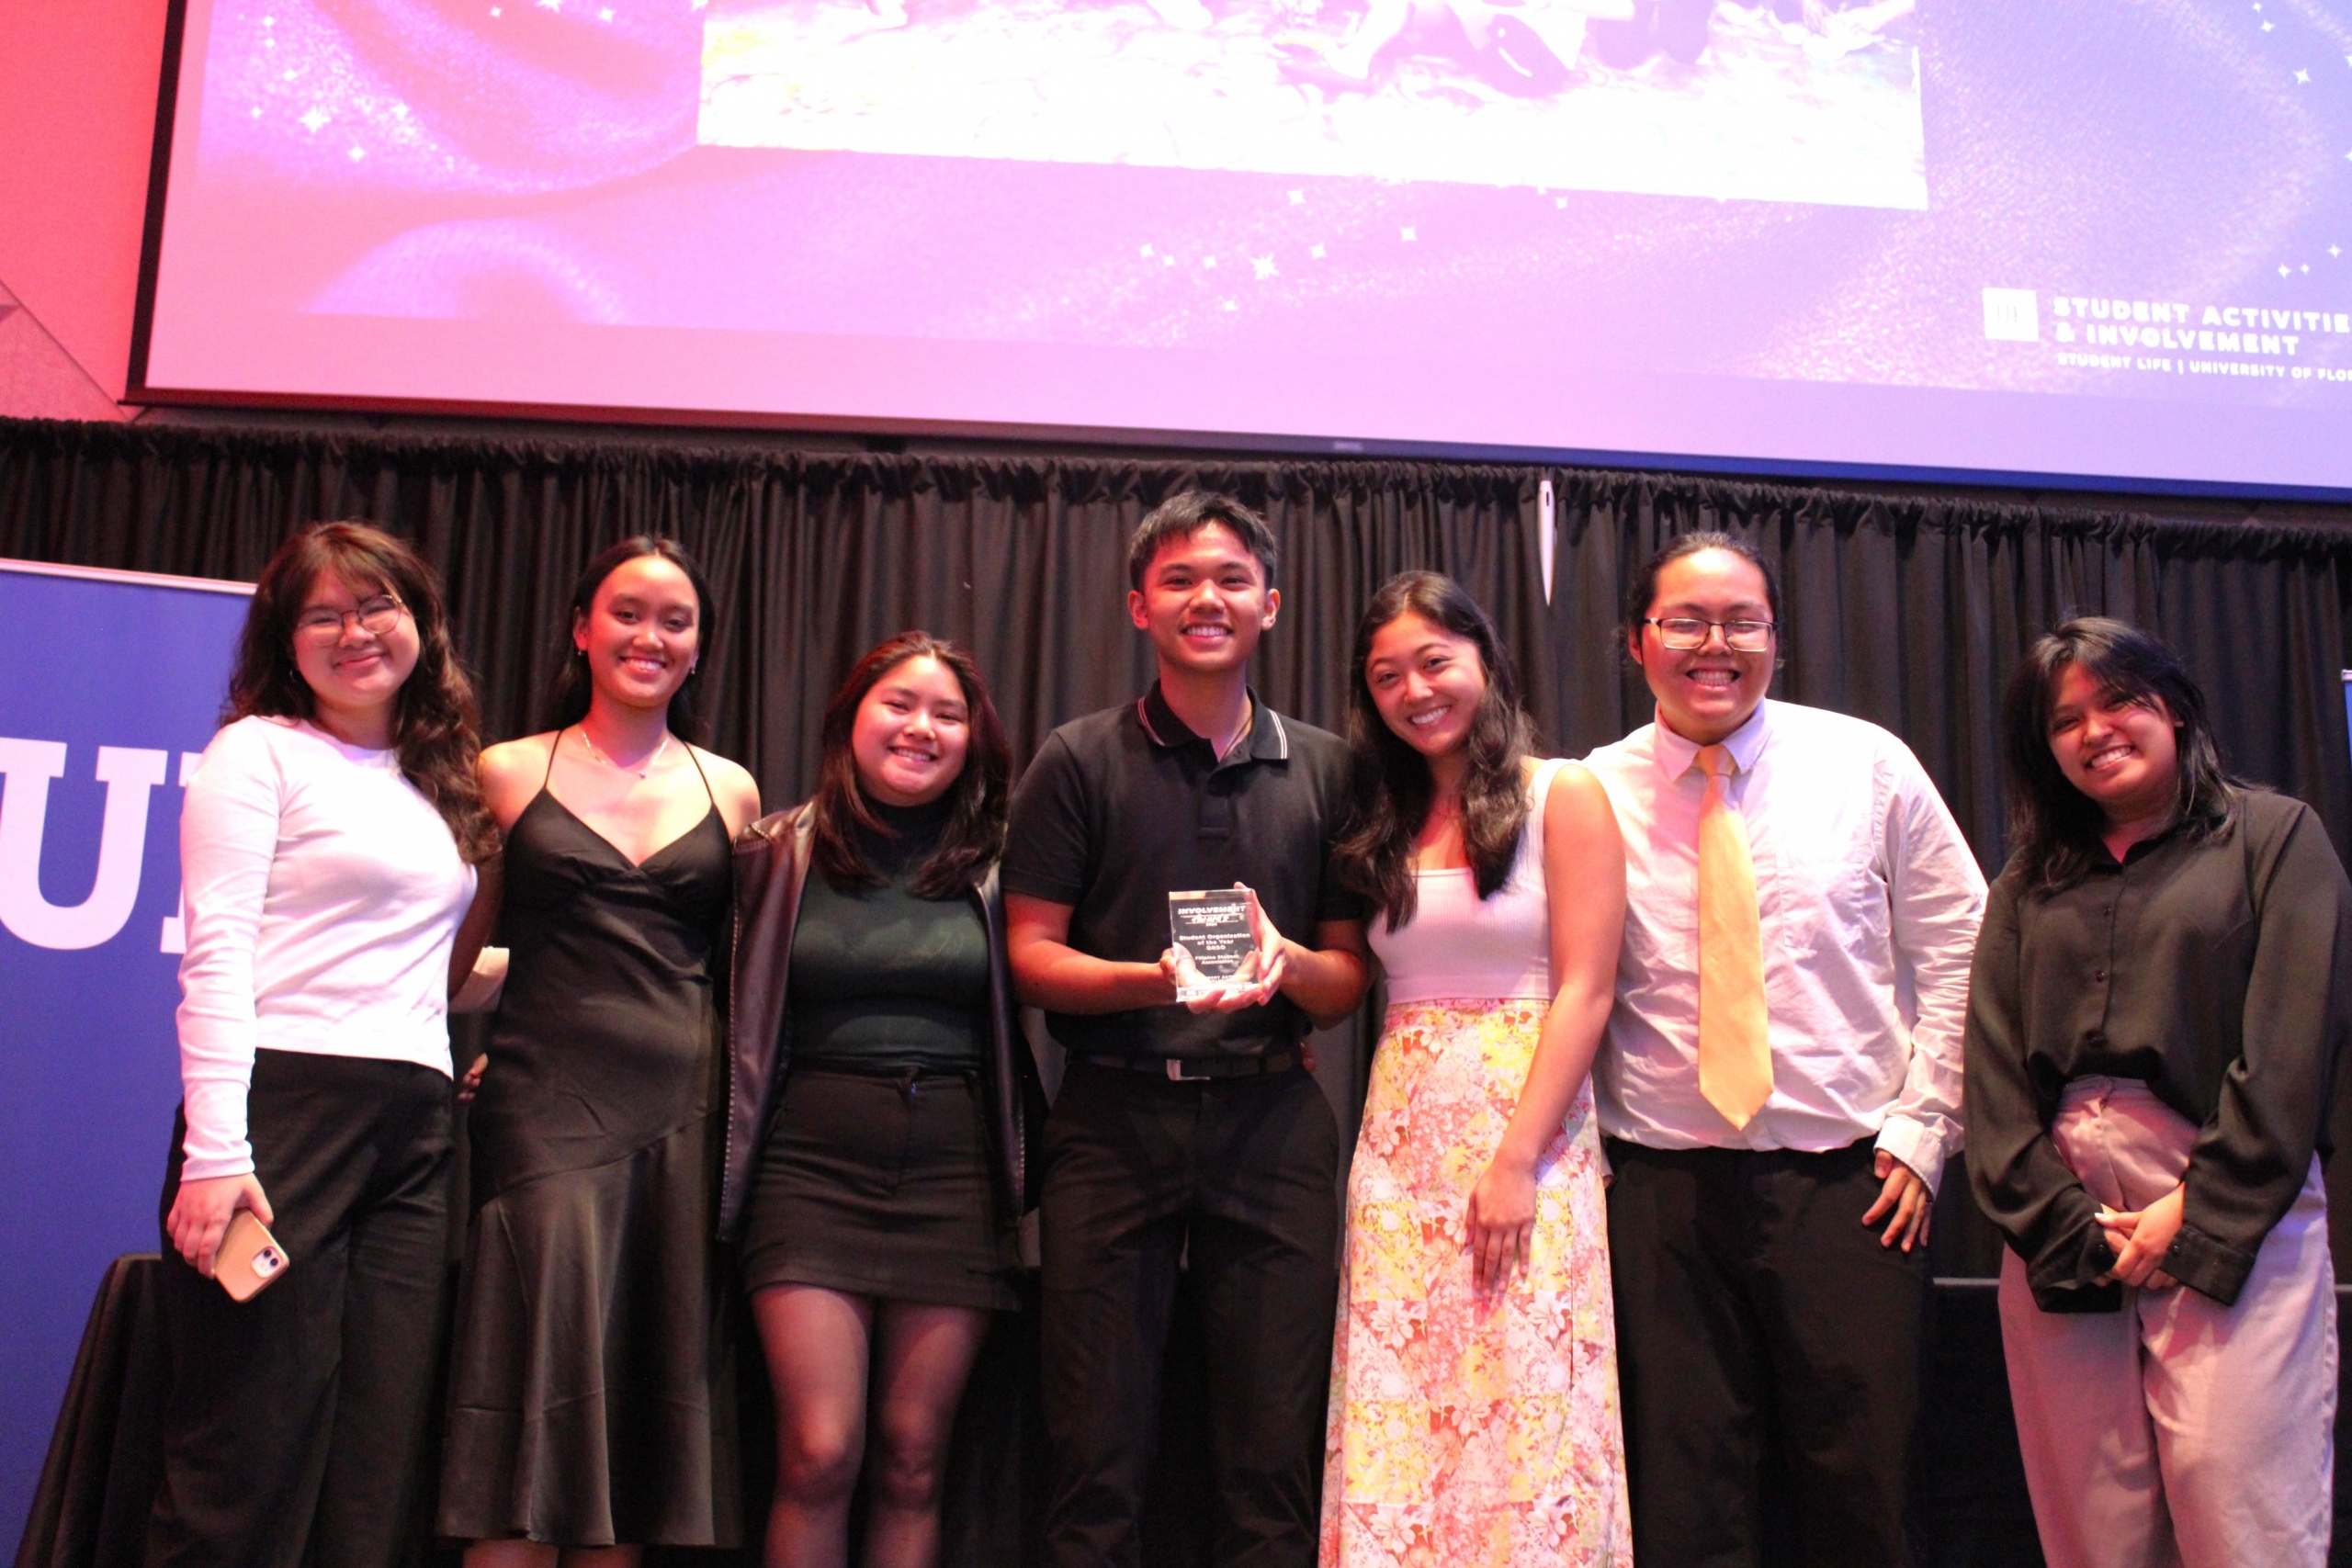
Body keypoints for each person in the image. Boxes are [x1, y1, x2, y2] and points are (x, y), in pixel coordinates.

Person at [1579, 530, 1985, 1566]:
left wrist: (1925, 1130)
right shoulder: (1585, 791)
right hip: (1659, 1194)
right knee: (1683, 1510)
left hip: (1851, 1194)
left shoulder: (1866, 763)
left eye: (1741, 622)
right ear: (1636, 640)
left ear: (1776, 638)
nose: (1714, 645)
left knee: (1866, 1499)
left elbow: (1962, 948)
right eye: (1685, 621)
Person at [1001, 490, 1372, 1568]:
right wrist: (1150, 982)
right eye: (1178, 580)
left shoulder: (1330, 769)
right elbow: (1028, 958)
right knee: (1094, 1453)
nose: (1205, 598)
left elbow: (1346, 981)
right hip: (1112, 1121)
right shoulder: (1076, 759)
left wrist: (1284, 964)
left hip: (1274, 1118)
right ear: (1136, 606)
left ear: (1271, 604)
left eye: (1229, 580)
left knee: (1272, 1459)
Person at [1964, 618, 2350, 1568]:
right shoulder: (2025, 883)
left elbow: (2293, 1045)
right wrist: (2060, 1223)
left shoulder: (2273, 836)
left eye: (2118, 701)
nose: (2094, 730)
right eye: (2065, 720)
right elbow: (1994, 1072)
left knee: (2239, 1505)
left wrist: (2200, 1211)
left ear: (2171, 707)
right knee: (2090, 1524)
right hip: (2063, 1221)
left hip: (2229, 1202)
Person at [153, 521, 499, 1568]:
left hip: (417, 1128)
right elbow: (215, 957)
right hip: (283, 1116)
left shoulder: (440, 776)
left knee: (375, 1456)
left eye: (377, 606)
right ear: (286, 640)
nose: (355, 631)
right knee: (245, 1450)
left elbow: (413, 955)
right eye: (323, 615)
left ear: (420, 624)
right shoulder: (256, 751)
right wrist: (218, 1154)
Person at [438, 536, 761, 1567]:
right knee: (527, 1404)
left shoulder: (734, 791)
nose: (649, 636)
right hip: (541, 1115)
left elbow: (743, 974)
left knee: (624, 1433)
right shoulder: (505, 770)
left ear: (700, 649)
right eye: (627, 612)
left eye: (675, 620)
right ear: (582, 628)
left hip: (683, 1115)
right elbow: (449, 963)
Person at [1319, 572, 1632, 1567]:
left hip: (1525, 1139)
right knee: (1404, 1418)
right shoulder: (1376, 815)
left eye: (1433, 662)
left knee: (1527, 1414)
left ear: (1484, 661)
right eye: (1386, 676)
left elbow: (1586, 990)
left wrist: (1513, 1161)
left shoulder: (1561, 792)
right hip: (1399, 1147)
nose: (1414, 690)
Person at [720, 632, 1045, 1568]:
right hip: (808, 1164)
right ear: (850, 719)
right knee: (819, 1453)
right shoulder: (772, 852)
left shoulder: (1005, 866)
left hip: (956, 1169)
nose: (921, 729)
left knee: (912, 1460)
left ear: (973, 740)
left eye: (947, 714)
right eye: (899, 705)